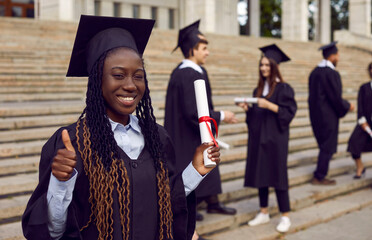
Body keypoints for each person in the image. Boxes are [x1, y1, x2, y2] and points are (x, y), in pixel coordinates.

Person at [21, 15, 221, 240]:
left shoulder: (158, 138)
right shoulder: (73, 142)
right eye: (118, 75)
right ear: (97, 79)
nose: (130, 85)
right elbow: (53, 232)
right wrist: (60, 182)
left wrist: (195, 171)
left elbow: (167, 201)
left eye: (138, 76)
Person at [164, 20, 237, 240]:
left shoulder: (192, 71)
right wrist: (222, 115)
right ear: (192, 49)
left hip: (190, 130)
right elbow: (192, 111)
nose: (207, 52)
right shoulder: (187, 74)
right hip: (187, 132)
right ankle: (195, 206)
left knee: (207, 161)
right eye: (204, 48)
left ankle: (211, 201)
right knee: (195, 165)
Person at [238, 44, 297, 233]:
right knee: (260, 173)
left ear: (274, 67)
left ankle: (285, 215)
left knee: (278, 176)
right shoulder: (258, 89)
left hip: (276, 139)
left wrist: (268, 105)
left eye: (267, 65)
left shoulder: (284, 88)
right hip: (258, 138)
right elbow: (254, 118)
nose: (263, 68)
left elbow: (289, 112)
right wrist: (249, 109)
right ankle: (263, 212)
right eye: (261, 65)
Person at [308, 41, 354, 185]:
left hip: (315, 115)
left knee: (324, 145)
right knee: (327, 146)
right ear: (332, 56)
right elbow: (335, 97)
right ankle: (319, 176)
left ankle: (320, 174)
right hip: (328, 116)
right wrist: (347, 106)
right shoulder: (331, 73)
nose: (338, 59)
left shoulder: (314, 72)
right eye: (337, 56)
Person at [347, 62, 372, 179]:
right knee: (353, 143)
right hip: (365, 123)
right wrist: (364, 124)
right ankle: (360, 167)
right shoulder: (364, 88)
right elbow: (360, 108)